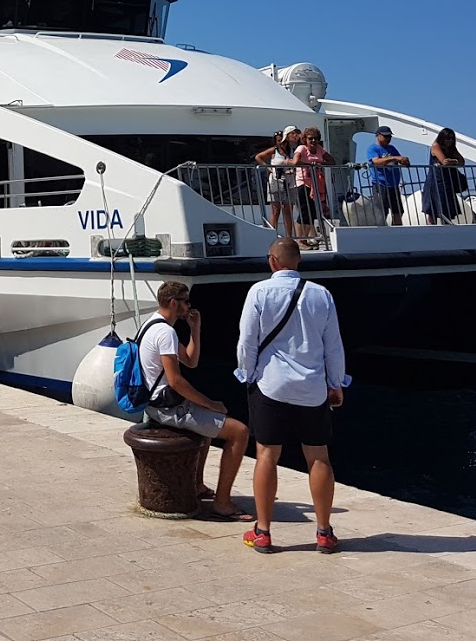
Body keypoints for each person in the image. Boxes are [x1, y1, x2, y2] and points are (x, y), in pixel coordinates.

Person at [235, 238, 347, 553]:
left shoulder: (258, 292)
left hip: (270, 385)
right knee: (319, 457)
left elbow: (248, 342)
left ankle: (263, 532)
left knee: (267, 455)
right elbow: (333, 345)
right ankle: (324, 533)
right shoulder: (321, 295)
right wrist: (336, 383)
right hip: (312, 388)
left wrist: (248, 374)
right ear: (298, 261)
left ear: (272, 261)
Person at [138, 280, 252, 521]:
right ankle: (222, 503)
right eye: (186, 301)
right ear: (173, 303)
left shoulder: (152, 324)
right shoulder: (166, 332)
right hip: (168, 408)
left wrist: (195, 329)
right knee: (239, 432)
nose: (189, 305)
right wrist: (210, 404)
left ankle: (197, 486)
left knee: (208, 427)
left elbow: (191, 360)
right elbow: (176, 380)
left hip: (155, 403)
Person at [256, 126, 302, 238]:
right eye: (278, 140)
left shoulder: (293, 150)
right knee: (275, 211)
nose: (280, 142)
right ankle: (271, 237)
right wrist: (268, 168)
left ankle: (289, 237)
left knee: (288, 211)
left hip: (290, 182)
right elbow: (259, 157)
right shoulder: (274, 151)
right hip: (276, 182)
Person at [293, 128, 335, 246]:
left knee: (311, 212)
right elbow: (295, 162)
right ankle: (299, 240)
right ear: (305, 139)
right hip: (302, 183)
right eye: (310, 138)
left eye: (315, 138)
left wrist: (320, 164)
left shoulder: (319, 150)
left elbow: (332, 161)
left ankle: (304, 239)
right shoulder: (301, 148)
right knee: (303, 212)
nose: (313, 141)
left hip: (315, 185)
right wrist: (310, 165)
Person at [421, 128, 467, 225]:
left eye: (451, 139)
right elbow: (444, 161)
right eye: (447, 138)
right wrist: (454, 161)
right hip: (435, 182)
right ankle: (431, 232)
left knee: (447, 210)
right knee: (433, 210)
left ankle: (446, 230)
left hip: (447, 182)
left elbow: (462, 161)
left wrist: (452, 161)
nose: (450, 141)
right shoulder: (436, 146)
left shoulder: (451, 149)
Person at [366, 126, 410, 226]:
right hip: (380, 184)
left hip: (393, 185)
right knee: (382, 211)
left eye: (389, 136)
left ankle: (397, 232)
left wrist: (404, 161)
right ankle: (381, 232)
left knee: (398, 211)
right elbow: (376, 161)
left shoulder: (392, 148)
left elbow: (399, 159)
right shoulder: (373, 148)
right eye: (385, 136)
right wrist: (394, 158)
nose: (388, 138)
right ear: (378, 136)